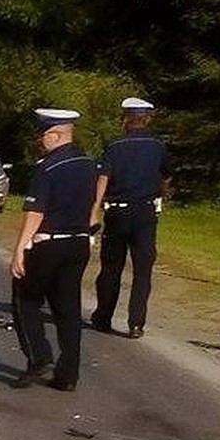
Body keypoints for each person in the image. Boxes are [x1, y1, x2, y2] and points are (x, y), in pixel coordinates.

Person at [10, 109, 96, 391]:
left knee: (26, 297)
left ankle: (39, 356)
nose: (40, 141)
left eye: (43, 135)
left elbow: (35, 211)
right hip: (78, 242)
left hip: (48, 242)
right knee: (68, 308)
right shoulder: (88, 164)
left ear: (55, 135)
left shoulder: (48, 167)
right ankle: (68, 373)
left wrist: (20, 248)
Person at [90, 97, 171, 339]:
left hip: (117, 211)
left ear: (125, 119)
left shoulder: (114, 146)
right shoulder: (157, 145)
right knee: (143, 270)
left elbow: (103, 178)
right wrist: (160, 193)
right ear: (147, 119)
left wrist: (94, 210)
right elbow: (166, 176)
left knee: (111, 266)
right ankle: (136, 323)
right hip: (146, 212)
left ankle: (103, 316)